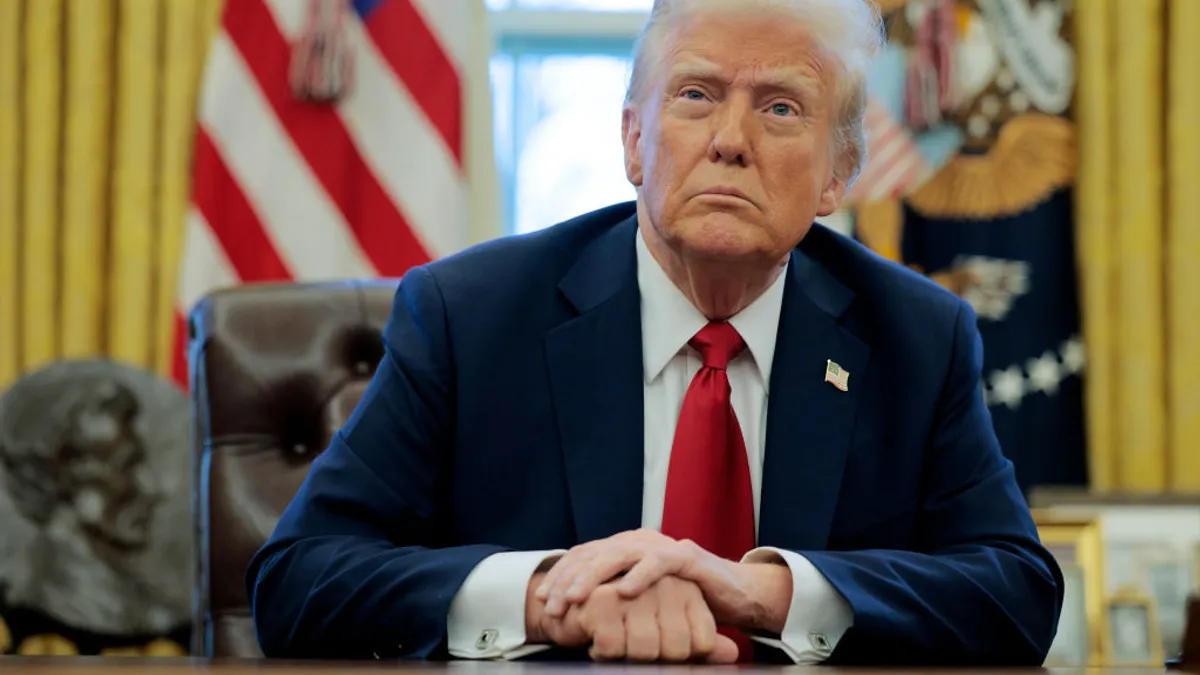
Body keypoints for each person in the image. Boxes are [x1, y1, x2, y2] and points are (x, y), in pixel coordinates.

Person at [246, 0, 1063, 665]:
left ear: (837, 174)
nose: (730, 140)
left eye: (781, 108)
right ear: (635, 140)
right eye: (696, 95)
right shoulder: (471, 314)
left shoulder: (918, 335)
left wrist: (766, 591)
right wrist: (550, 596)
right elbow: (298, 579)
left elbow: (1015, 591)